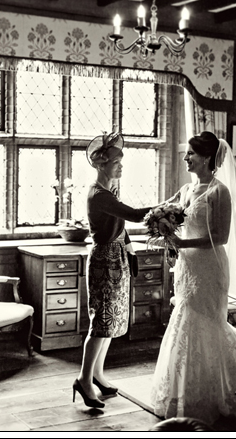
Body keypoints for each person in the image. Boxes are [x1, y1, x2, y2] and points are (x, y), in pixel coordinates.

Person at [150, 131, 236, 425]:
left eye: (190, 153)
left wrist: (181, 244)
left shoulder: (219, 191)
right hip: (188, 267)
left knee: (206, 323)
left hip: (210, 267)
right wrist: (165, 231)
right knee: (185, 320)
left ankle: (221, 390)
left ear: (206, 158)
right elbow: (167, 217)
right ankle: (183, 391)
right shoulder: (187, 190)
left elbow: (220, 238)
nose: (186, 157)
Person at [73, 132, 161, 408]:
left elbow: (122, 228)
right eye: (116, 162)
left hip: (118, 258)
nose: (121, 166)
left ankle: (97, 374)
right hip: (104, 262)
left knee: (111, 322)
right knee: (101, 321)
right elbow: (134, 215)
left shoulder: (109, 190)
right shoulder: (99, 194)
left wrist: (131, 253)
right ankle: (84, 380)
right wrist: (169, 207)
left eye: (122, 162)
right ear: (101, 164)